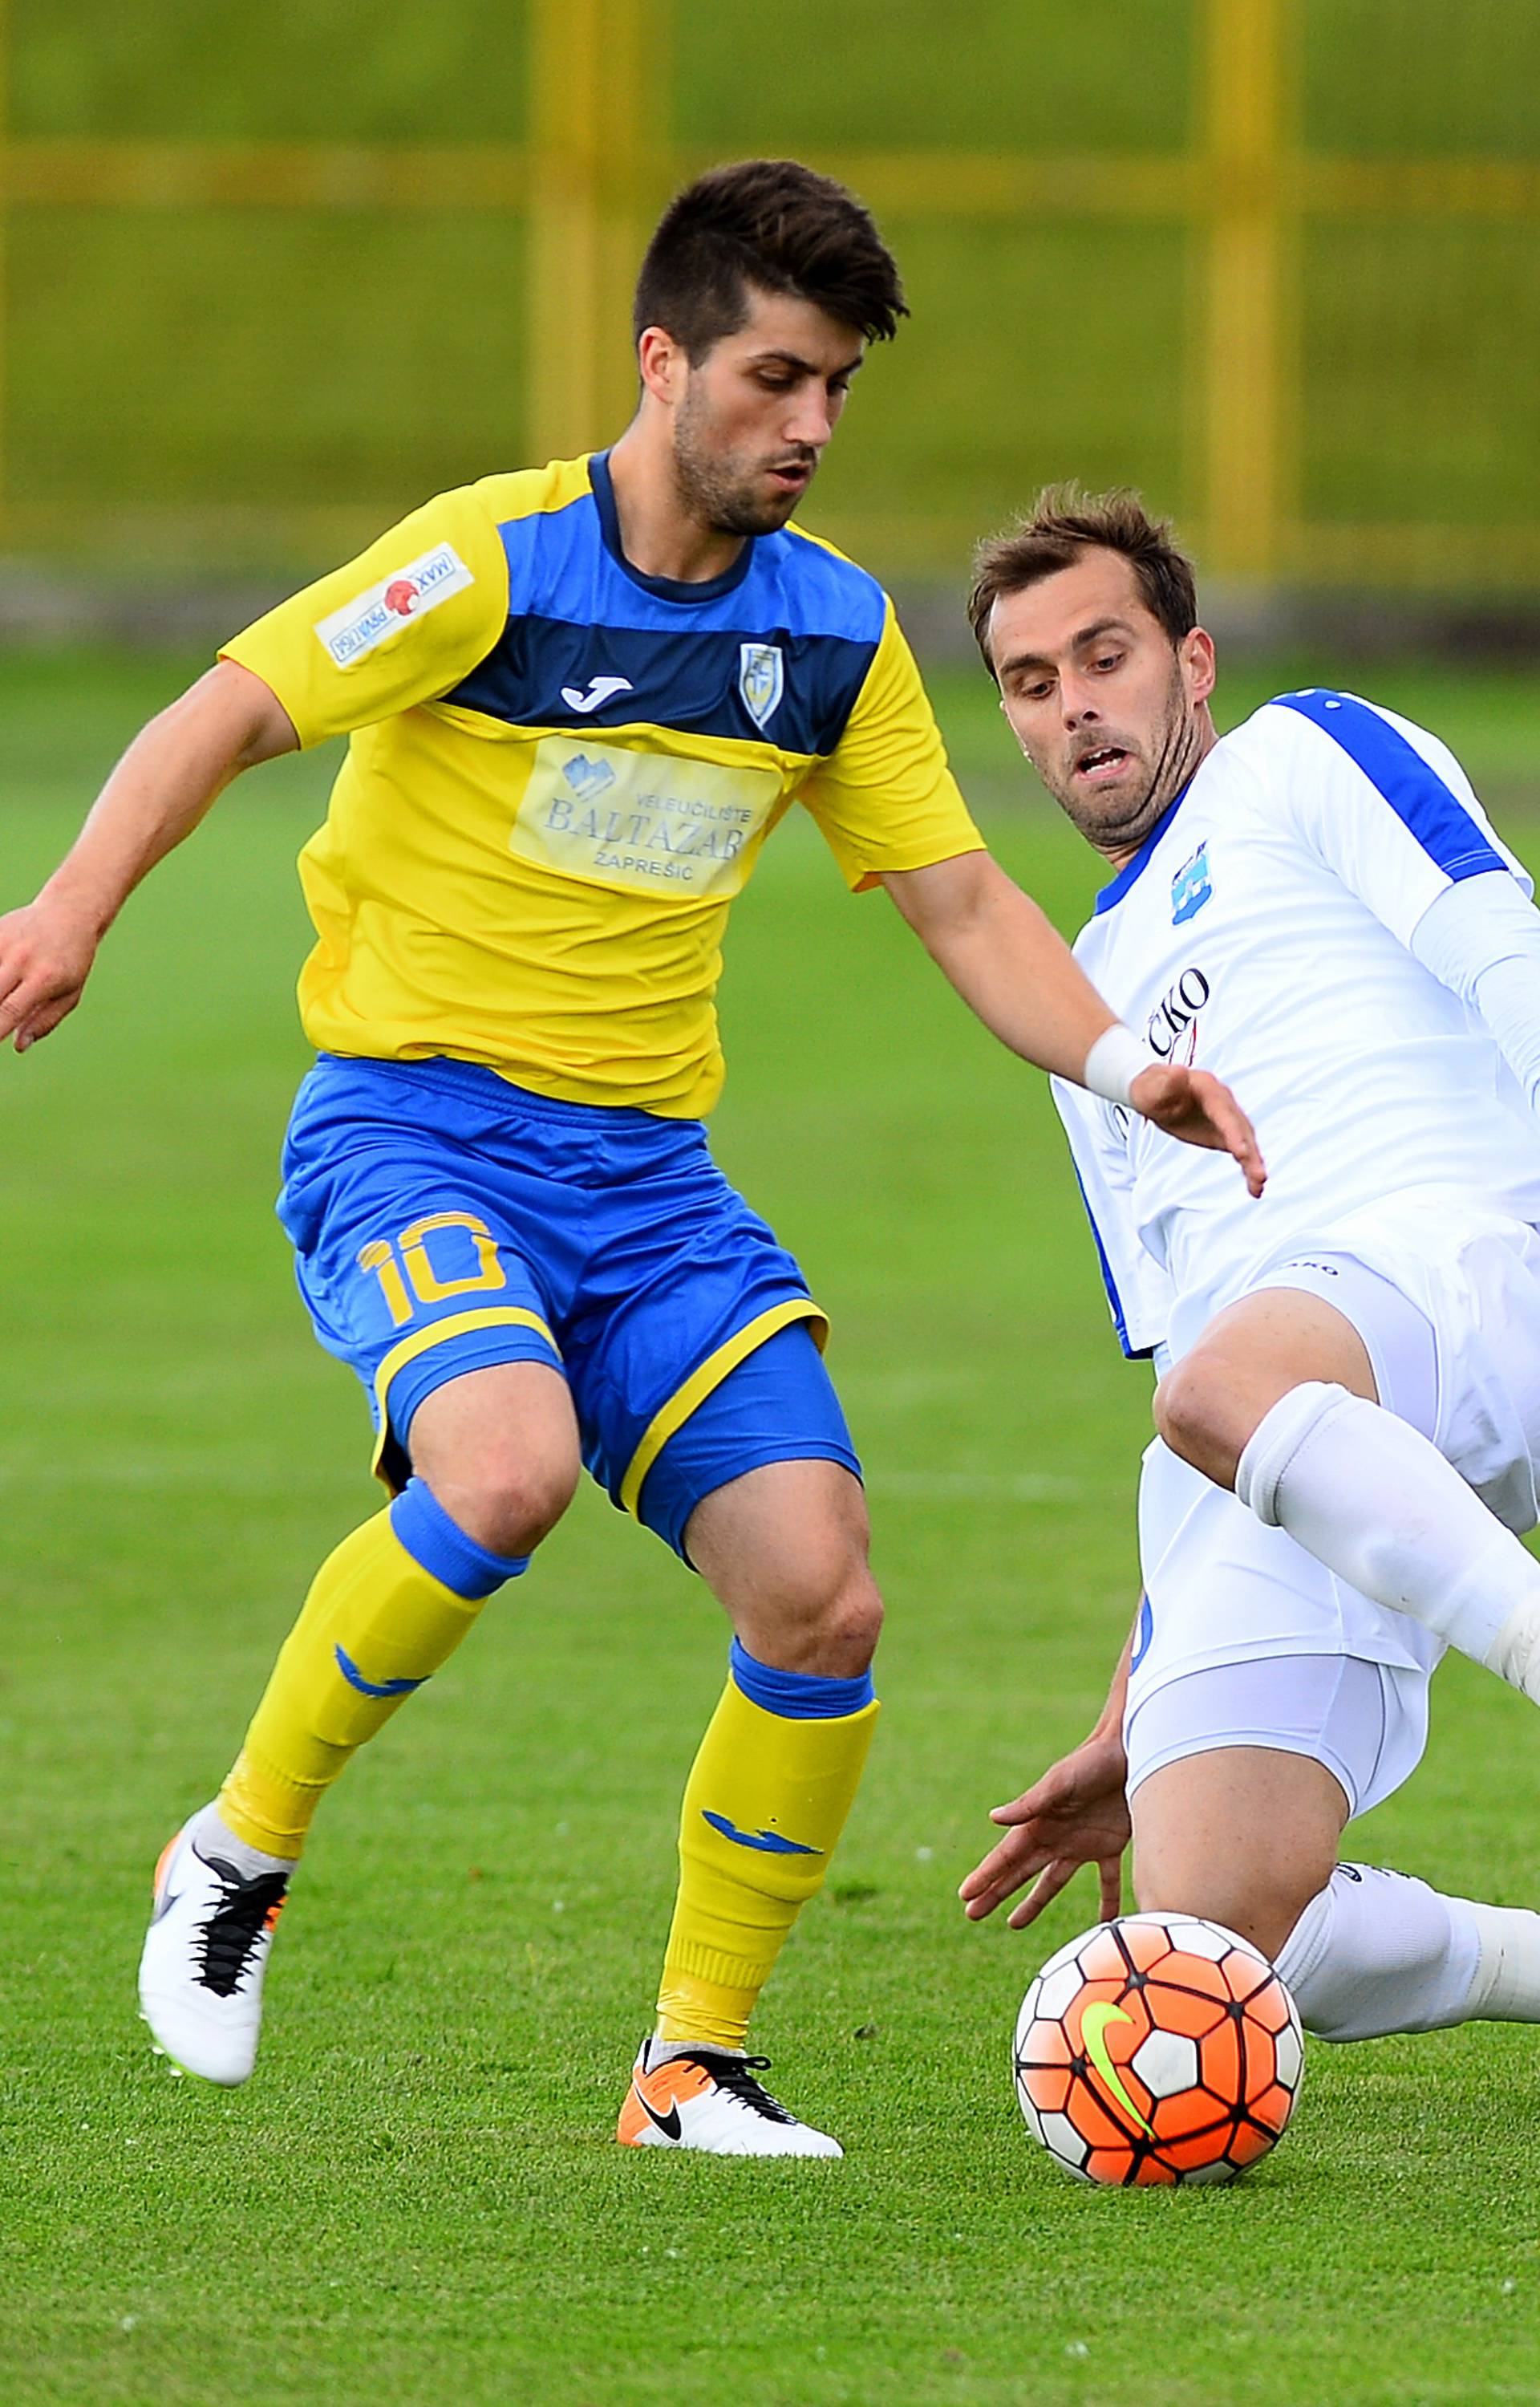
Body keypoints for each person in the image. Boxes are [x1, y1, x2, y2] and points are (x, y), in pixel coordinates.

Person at [0, 172, 1258, 2159]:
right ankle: (233, 1854)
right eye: (775, 377)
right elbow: (228, 708)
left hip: (651, 1185)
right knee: (495, 1469)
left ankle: (691, 2069)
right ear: (664, 362)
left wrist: (1125, 1064)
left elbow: (956, 907)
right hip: (414, 1129)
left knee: (820, 1596)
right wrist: (70, 908)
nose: (812, 425)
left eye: (836, 388)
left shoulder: (830, 631)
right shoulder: (486, 563)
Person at [957, 485, 1540, 2047]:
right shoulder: (1075, 1009)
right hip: (1298, 1400)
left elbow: (1510, 951)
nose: (1077, 706)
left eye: (1105, 655)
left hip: (1470, 1261)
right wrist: (1131, 1710)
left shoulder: (1302, 752)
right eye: (1033, 682)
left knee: (1239, 1382)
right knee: (1202, 1941)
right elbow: (1195, 1382)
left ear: (1193, 662)